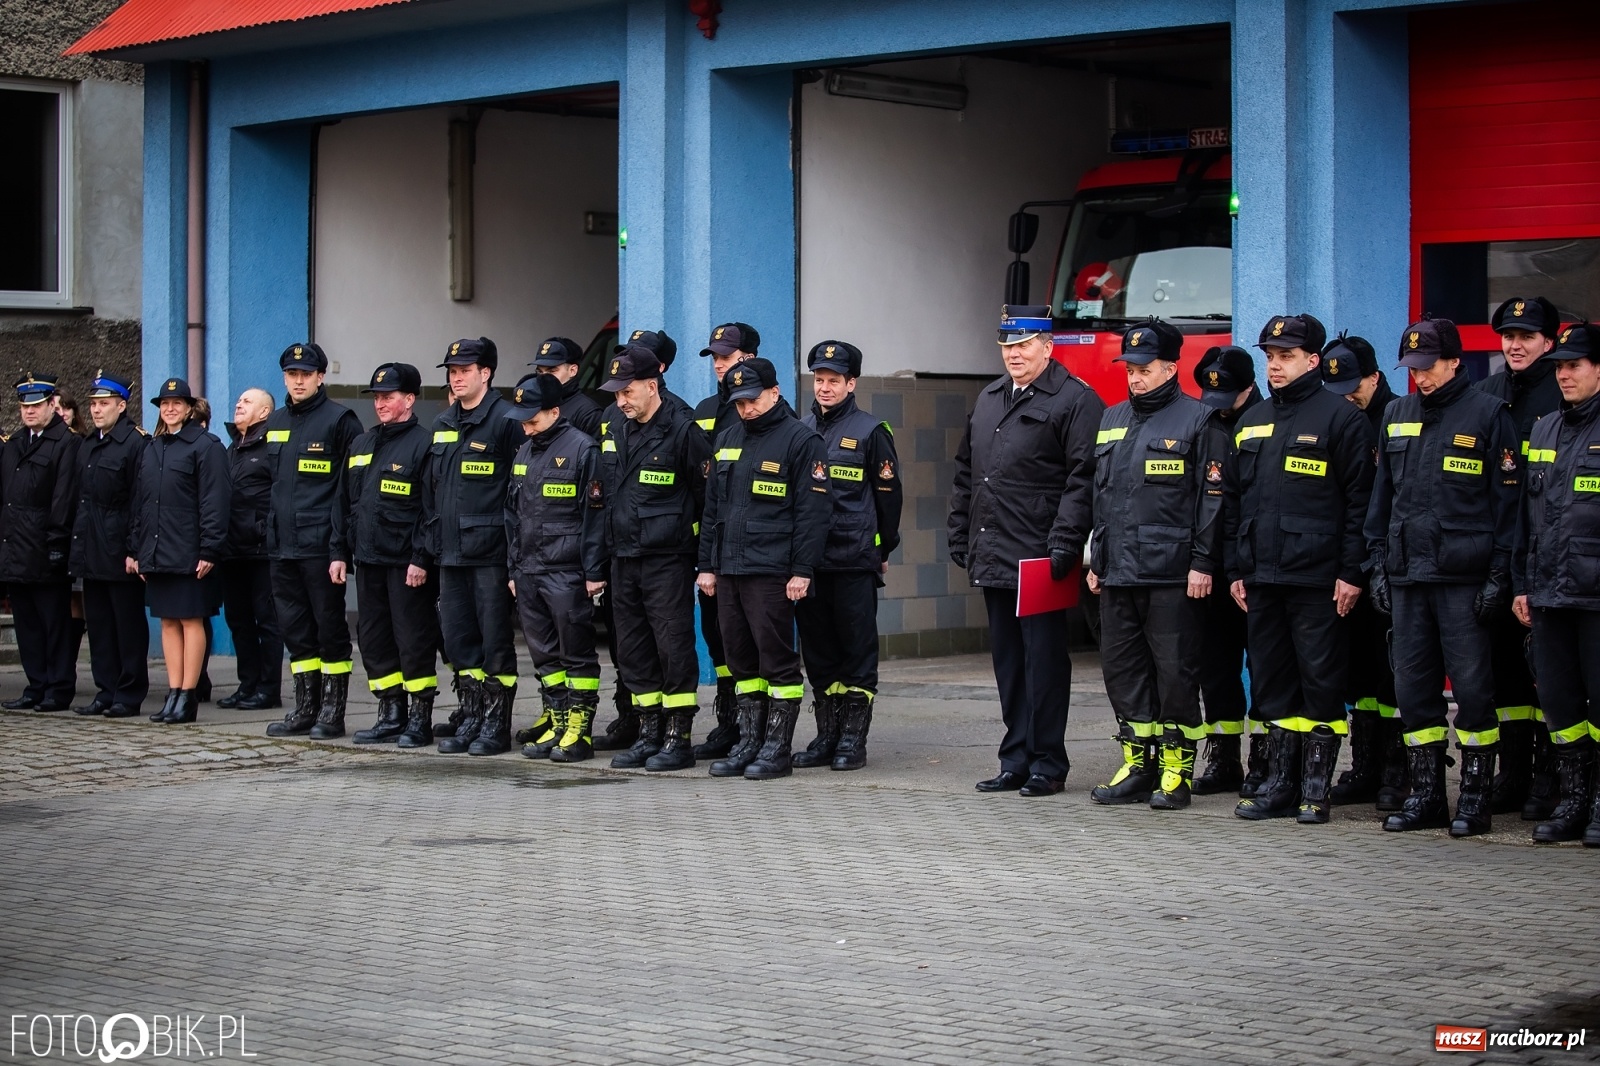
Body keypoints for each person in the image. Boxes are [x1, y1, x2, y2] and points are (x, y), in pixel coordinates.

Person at [1365, 317, 1520, 837]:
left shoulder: (1489, 414)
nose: (1420, 377)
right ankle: (1426, 795)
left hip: (1463, 577)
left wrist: (1500, 574)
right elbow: (1382, 498)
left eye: (1428, 367)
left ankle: (1475, 798)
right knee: (1413, 691)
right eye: (1413, 368)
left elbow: (1508, 505)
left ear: (1455, 361)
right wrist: (1377, 564)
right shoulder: (1396, 413)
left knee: (1473, 691)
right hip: (1408, 575)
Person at [1225, 314, 1375, 824]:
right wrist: (1235, 569)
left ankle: (1316, 790)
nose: (1275, 365)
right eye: (1270, 356)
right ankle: (1281, 786)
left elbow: (1360, 504)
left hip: (1318, 579)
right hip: (1262, 577)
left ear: (1312, 361)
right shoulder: (1252, 420)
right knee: (1271, 684)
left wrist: (1351, 573)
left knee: (1321, 683)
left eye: (1285, 356)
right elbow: (1233, 503)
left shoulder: (1342, 419)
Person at [949, 306, 1103, 797]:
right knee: (1010, 664)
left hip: (1040, 556)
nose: (1014, 354)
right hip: (994, 550)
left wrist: (1066, 541)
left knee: (1044, 663)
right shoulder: (990, 397)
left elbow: (1083, 479)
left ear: (1047, 347)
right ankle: (1014, 758)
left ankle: (1047, 763)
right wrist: (960, 530)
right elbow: (968, 473)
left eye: (1024, 345)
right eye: (1007, 346)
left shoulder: (1075, 399)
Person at [1085, 320, 1228, 809]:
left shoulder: (1200, 420)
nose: (1136, 377)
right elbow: (1102, 497)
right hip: (1118, 571)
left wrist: (1203, 563)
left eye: (1145, 369)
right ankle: (1137, 766)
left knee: (1175, 676)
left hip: (1172, 574)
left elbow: (1213, 499)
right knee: (1123, 673)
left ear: (1171, 368)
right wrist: (1097, 558)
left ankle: (1175, 772)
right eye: (1130, 369)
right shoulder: (1112, 418)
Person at [697, 357, 830, 780]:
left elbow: (813, 513)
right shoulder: (727, 437)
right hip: (729, 568)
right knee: (739, 658)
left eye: (753, 400)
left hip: (772, 568)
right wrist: (707, 565)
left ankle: (777, 749)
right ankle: (749, 742)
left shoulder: (801, 440)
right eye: (739, 403)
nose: (747, 409)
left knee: (776, 659)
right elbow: (712, 507)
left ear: (775, 392)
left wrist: (802, 569)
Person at [598, 345, 711, 771]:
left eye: (627, 391)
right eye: (616, 393)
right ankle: (649, 733)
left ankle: (678, 738)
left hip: (667, 559)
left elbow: (708, 501)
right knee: (632, 650)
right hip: (623, 557)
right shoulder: (617, 428)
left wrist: (706, 561)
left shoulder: (683, 431)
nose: (621, 401)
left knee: (673, 647)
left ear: (652, 385)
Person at [794, 340, 902, 772]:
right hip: (811, 562)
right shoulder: (801, 430)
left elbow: (889, 499)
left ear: (851, 383)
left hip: (854, 559)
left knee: (856, 650)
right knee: (819, 653)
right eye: (819, 380)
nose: (824, 387)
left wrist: (882, 548)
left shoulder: (871, 432)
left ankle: (853, 740)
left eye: (833, 381)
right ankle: (827, 735)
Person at [1514, 321, 1600, 845]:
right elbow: (1527, 516)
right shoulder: (1544, 428)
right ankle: (1573, 801)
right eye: (1560, 367)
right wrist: (1522, 583)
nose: (1564, 375)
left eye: (1574, 366)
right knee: (1561, 705)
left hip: (1595, 595)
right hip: (1548, 592)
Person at [1478, 295, 1564, 819]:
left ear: (1548, 343)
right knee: (1505, 673)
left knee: (1549, 675)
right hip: (1496, 554)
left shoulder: (1563, 395)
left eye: (1526, 337)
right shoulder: (1488, 394)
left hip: (1544, 553)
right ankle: (1512, 775)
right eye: (1508, 336)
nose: (1514, 345)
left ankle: (1551, 779)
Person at [330, 363, 440, 748]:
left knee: (413, 639)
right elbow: (344, 502)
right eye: (376, 397)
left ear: (409, 399)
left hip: (405, 563)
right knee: (373, 639)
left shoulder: (424, 444)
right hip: (368, 559)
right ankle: (391, 713)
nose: (380, 404)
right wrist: (338, 551)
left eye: (388, 397)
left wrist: (421, 559)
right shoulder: (362, 444)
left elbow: (431, 510)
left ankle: (420, 718)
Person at [425, 337, 525, 756]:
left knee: (494, 642)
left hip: (490, 554)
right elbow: (432, 491)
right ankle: (471, 717)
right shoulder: (444, 422)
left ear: (486, 373)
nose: (457, 377)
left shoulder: (505, 420)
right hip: (450, 553)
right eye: (452, 371)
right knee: (458, 639)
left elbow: (519, 492)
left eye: (465, 370)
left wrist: (516, 555)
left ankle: (496, 726)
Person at [1319, 333, 1405, 810]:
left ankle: (1397, 770)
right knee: (1359, 675)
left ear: (1374, 377)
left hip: (1389, 565)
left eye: (1353, 387)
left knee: (1391, 673)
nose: (1347, 397)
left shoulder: (1396, 416)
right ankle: (1366, 766)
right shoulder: (1338, 418)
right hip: (1348, 562)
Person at [261, 343, 363, 739]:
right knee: (295, 631)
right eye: (292, 374)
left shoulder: (340, 421)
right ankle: (305, 708)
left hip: (321, 547)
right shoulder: (275, 422)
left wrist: (341, 547)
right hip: (282, 545)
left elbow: (352, 491)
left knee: (329, 629)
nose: (298, 381)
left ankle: (332, 712)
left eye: (306, 374)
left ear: (321, 377)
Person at [505, 373, 607, 762]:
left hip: (566, 570)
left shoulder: (583, 449)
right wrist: (513, 569)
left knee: (576, 653)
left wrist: (593, 571)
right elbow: (512, 516)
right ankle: (559, 723)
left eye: (532, 420)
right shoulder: (523, 453)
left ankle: (579, 733)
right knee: (545, 655)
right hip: (528, 570)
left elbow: (595, 517)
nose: (526, 427)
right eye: (522, 420)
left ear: (554, 411)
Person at [132, 378, 230, 725]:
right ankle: (173, 692)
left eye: (177, 403)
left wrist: (210, 549)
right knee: (168, 621)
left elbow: (215, 502)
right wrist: (139, 550)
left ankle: (189, 695)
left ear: (189, 408)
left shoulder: (206, 446)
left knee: (190, 619)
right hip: (158, 550)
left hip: (190, 550)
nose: (170, 409)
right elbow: (142, 504)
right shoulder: (153, 447)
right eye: (164, 403)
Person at [1189, 346, 1262, 794]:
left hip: (1255, 567)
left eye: (1227, 396)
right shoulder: (1205, 422)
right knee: (1215, 667)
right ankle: (1223, 758)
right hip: (1211, 567)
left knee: (1265, 667)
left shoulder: (1265, 421)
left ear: (1249, 388)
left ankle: (1265, 760)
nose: (1218, 406)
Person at [688, 322, 761, 760]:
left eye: (727, 356)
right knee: (718, 637)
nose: (719, 364)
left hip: (751, 548)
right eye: (715, 357)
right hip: (711, 542)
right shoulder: (703, 409)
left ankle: (755, 728)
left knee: (750, 641)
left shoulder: (762, 411)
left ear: (748, 357)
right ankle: (729, 721)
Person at [69, 371, 150, 719]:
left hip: (119, 550)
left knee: (127, 627)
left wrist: (134, 549)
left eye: (104, 403)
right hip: (91, 547)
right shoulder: (88, 444)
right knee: (100, 626)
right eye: (93, 404)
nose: (97, 410)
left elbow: (139, 501)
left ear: (121, 405)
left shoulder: (135, 443)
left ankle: (129, 694)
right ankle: (106, 690)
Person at [0, 373, 82, 711]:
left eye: (36, 405)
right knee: (27, 625)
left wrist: (57, 542)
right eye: (24, 406)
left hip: (45, 546)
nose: (29, 411)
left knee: (54, 624)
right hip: (15, 546)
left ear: (52, 405)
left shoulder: (66, 442)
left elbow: (64, 497)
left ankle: (58, 688)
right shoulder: (16, 442)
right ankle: (36, 685)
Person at [218, 388, 283, 710]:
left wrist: (264, 529)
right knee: (239, 621)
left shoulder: (271, 446)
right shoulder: (232, 447)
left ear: (265, 412)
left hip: (261, 551)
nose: (239, 404)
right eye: (239, 400)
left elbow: (280, 494)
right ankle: (247, 685)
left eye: (247, 401)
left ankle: (268, 690)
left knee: (266, 621)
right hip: (232, 550)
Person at [530, 336, 602, 439]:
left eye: (552, 371)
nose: (544, 377)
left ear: (573, 370)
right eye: (540, 372)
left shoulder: (589, 413)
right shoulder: (532, 403)